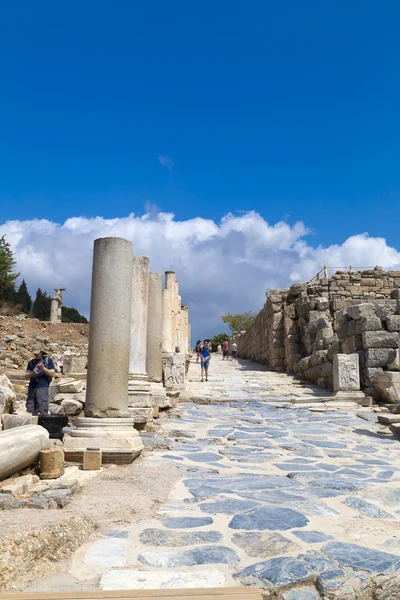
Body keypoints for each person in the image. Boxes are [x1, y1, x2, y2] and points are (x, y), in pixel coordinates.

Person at [25, 343, 55, 415]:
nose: (35, 355)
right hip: (32, 387)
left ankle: (42, 423)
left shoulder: (48, 361)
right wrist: (33, 372)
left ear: (41, 352)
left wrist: (43, 368)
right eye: (34, 354)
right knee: (33, 409)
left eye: (37, 354)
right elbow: (26, 376)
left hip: (42, 386)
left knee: (42, 409)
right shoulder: (31, 363)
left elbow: (52, 373)